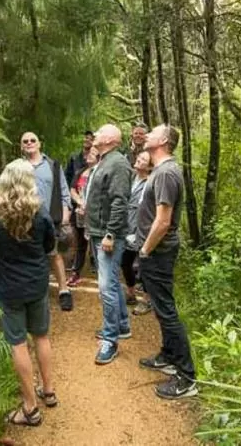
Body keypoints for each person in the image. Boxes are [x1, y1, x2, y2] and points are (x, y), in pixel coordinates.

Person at [0, 160, 58, 427]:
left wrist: (1, 268)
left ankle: (30, 408)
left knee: (18, 343)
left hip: (9, 287)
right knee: (41, 336)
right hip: (36, 284)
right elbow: (49, 244)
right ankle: (48, 391)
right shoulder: (40, 212)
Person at [136, 124, 198, 399]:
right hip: (156, 252)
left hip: (158, 253)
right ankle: (169, 356)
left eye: (153, 132)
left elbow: (163, 221)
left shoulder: (166, 173)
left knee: (166, 310)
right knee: (162, 308)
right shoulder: (160, 171)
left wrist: (145, 251)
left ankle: (187, 378)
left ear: (163, 141)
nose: (146, 134)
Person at [84, 124, 132, 365]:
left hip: (108, 234)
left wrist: (111, 234)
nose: (96, 135)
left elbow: (119, 202)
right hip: (97, 232)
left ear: (111, 139)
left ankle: (110, 340)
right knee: (111, 282)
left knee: (106, 287)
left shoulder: (118, 164)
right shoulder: (104, 161)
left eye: (100, 132)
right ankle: (122, 325)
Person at [20, 132, 75, 312]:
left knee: (54, 254)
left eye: (32, 140)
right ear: (21, 146)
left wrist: (66, 215)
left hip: (50, 218)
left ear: (39, 144)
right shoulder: (17, 167)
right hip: (25, 219)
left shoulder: (52, 165)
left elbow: (64, 191)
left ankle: (63, 291)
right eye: (25, 141)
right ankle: (34, 293)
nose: (29, 143)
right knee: (29, 255)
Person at [122, 151, 152, 314]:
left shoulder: (150, 183)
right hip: (126, 226)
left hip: (141, 228)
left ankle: (147, 300)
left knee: (143, 265)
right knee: (125, 261)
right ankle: (131, 292)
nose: (139, 161)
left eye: (144, 160)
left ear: (150, 166)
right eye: (139, 158)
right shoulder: (131, 178)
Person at [67, 147, 98, 287]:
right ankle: (76, 273)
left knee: (96, 244)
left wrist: (88, 205)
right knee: (80, 244)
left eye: (92, 153)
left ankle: (101, 273)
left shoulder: (99, 172)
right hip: (79, 212)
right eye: (89, 153)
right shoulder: (81, 171)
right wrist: (80, 202)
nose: (88, 155)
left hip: (95, 214)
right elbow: (72, 189)